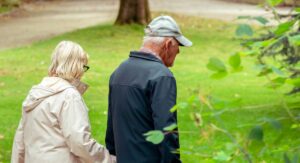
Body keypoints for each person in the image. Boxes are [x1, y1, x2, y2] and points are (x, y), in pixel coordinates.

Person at [105, 15, 192, 163]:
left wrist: (113, 155)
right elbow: (166, 129)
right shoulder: (162, 76)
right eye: (178, 48)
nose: (177, 53)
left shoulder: (119, 71)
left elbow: (111, 129)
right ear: (168, 44)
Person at [11, 41, 116, 163]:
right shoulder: (69, 96)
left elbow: (20, 140)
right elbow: (80, 142)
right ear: (76, 66)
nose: (83, 72)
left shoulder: (34, 94)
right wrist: (109, 159)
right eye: (84, 67)